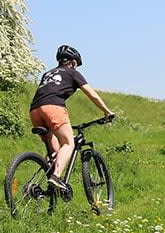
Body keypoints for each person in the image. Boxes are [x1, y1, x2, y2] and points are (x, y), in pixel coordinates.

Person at [30, 45, 114, 191]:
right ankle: (56, 177)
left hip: (35, 110)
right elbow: (91, 94)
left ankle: (44, 188)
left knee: (55, 152)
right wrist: (107, 111)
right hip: (53, 108)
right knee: (69, 143)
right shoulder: (73, 73)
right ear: (73, 62)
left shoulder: (47, 74)